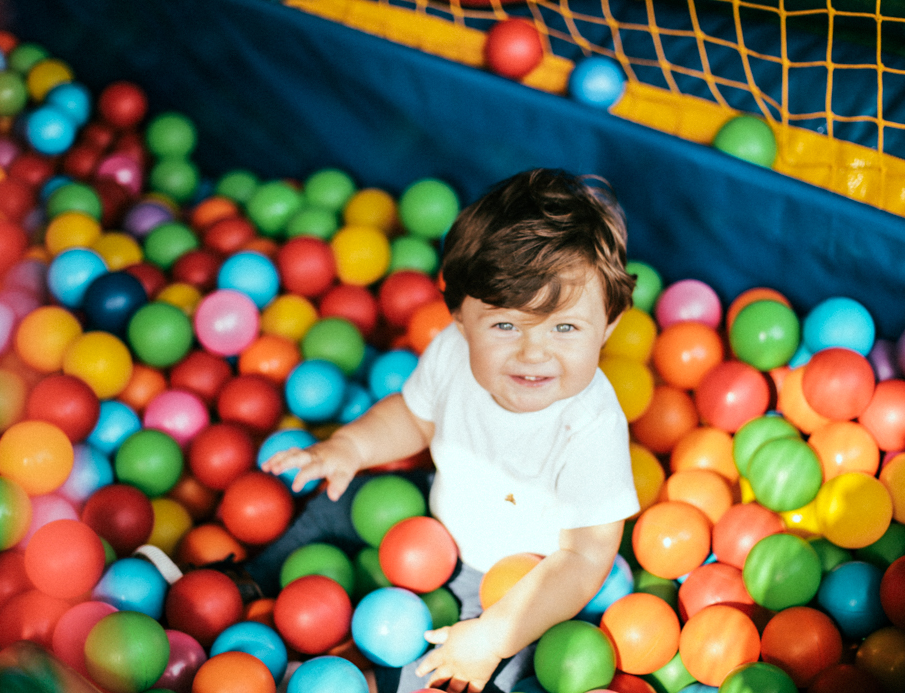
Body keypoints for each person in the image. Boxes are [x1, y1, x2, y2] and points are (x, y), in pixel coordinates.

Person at [260, 167, 641, 693]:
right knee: (335, 499)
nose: (534, 353)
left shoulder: (591, 424)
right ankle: (253, 589)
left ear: (609, 324)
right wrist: (348, 447)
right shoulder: (452, 352)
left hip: (517, 586)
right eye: (505, 325)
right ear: (460, 317)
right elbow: (414, 417)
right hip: (434, 515)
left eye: (565, 328)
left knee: (494, 673)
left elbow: (582, 559)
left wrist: (493, 635)